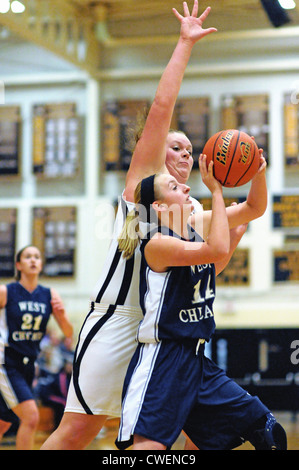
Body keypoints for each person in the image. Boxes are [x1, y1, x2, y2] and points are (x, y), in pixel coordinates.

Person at [41, 1, 218, 450]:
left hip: (164, 334)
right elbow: (161, 106)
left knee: (194, 434)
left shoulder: (188, 209)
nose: (183, 153)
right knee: (78, 431)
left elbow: (227, 235)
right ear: (155, 152)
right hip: (116, 323)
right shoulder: (140, 188)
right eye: (174, 146)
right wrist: (184, 45)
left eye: (188, 150)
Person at [115, 165, 287, 451]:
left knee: (267, 430)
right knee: (151, 449)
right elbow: (214, 250)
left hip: (197, 360)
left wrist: (258, 171)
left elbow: (253, 209)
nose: (185, 187)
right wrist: (216, 191)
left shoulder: (192, 229)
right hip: (163, 360)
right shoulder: (157, 243)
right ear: (158, 206)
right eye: (173, 187)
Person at [0, 245, 73, 450]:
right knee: (31, 417)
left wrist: (61, 313)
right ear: (18, 264)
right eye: (27, 257)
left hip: (28, 365)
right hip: (7, 363)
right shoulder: (6, 291)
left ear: (41, 264)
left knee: (4, 423)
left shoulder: (49, 294)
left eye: (37, 257)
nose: (33, 260)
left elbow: (68, 332)